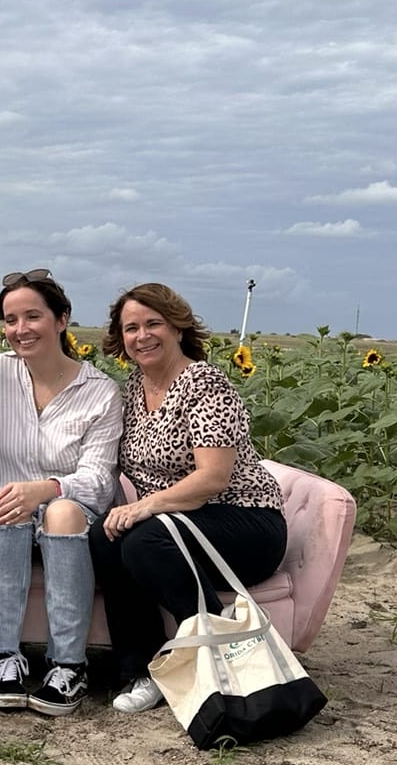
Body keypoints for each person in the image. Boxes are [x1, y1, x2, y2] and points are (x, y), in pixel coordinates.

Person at [89, 282, 287, 713]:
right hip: (175, 525)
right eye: (131, 328)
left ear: (178, 327)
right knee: (104, 536)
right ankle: (141, 671)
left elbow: (212, 478)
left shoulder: (203, 382)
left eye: (153, 323)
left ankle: (217, 662)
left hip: (244, 522)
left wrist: (144, 506)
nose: (142, 336)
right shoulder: (133, 389)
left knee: (144, 538)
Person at [0, 269, 122, 715]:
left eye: (32, 316)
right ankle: (4, 659)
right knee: (6, 501)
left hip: (71, 522)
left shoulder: (100, 392)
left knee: (63, 511)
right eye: (11, 320)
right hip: (5, 522)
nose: (20, 329)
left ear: (62, 319)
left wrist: (49, 489)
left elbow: (99, 479)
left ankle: (69, 665)